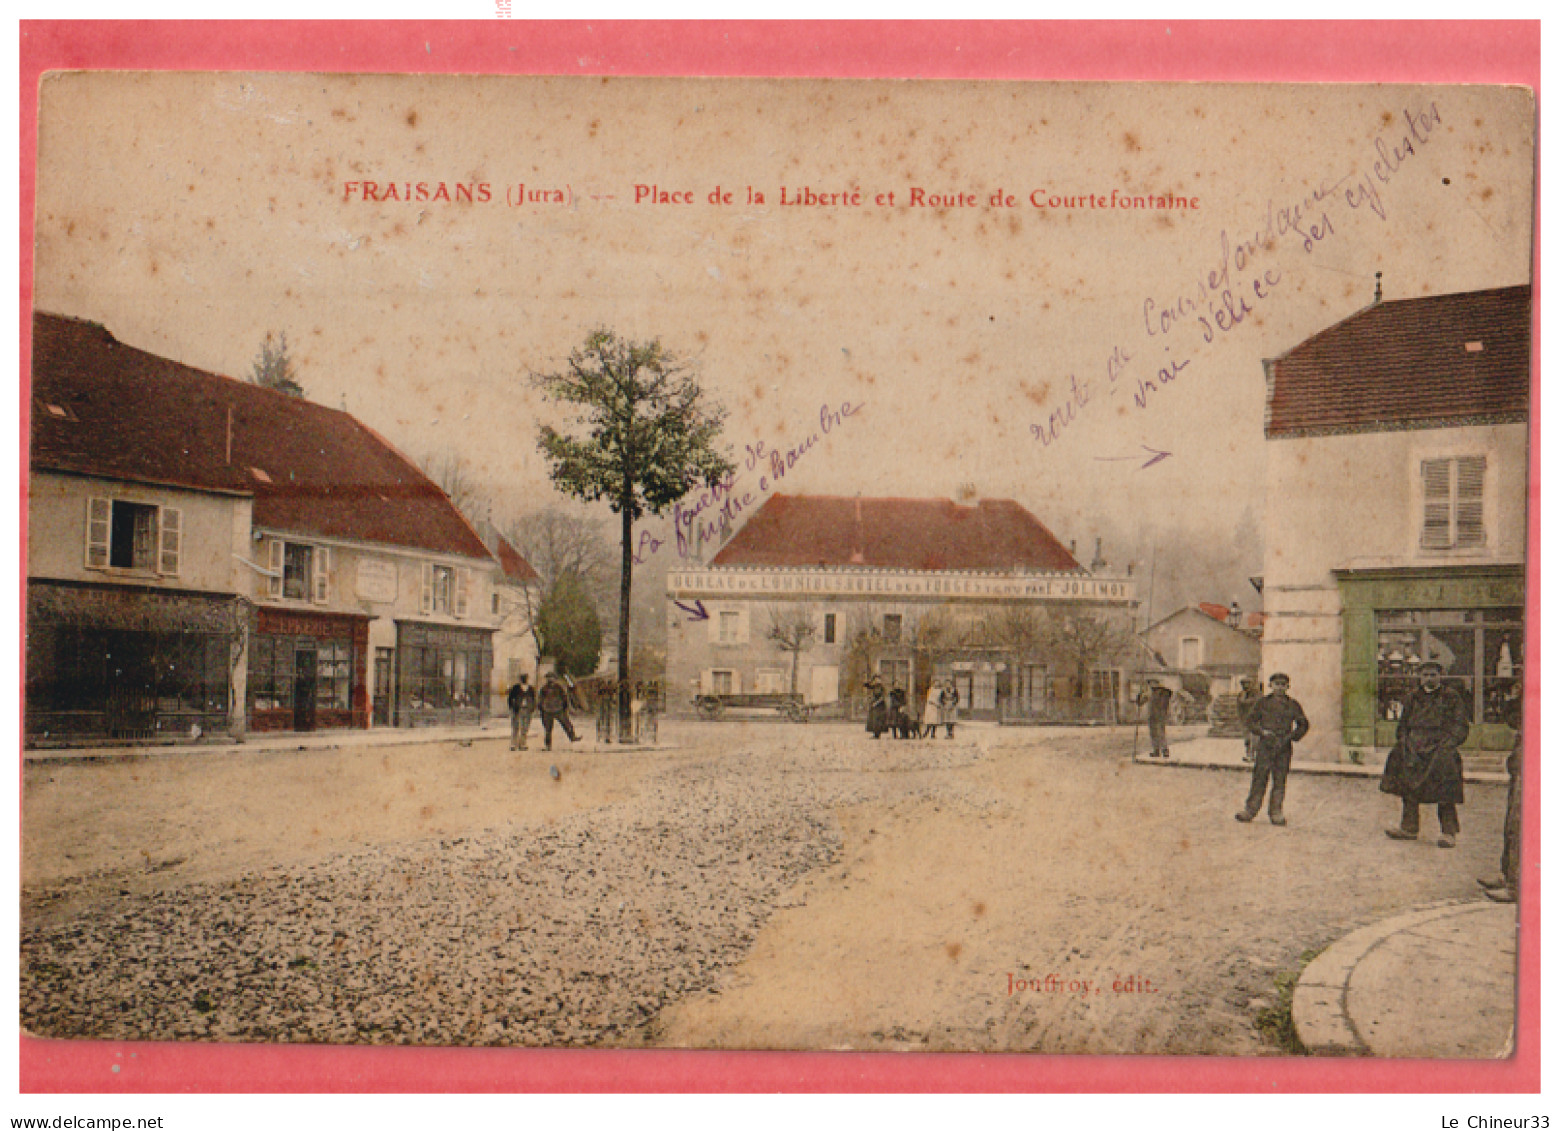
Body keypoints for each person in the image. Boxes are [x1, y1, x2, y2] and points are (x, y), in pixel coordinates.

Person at [1380, 661, 1469, 848]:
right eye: (1426, 675)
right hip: (1414, 746)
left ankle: (1448, 832)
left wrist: (1448, 744)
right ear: (1420, 677)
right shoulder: (1412, 697)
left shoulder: (1451, 697)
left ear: (1440, 676)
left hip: (1439, 747)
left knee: (1445, 791)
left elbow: (1460, 725)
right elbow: (1403, 725)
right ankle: (1409, 828)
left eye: (1433, 675)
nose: (1429, 678)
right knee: (1408, 786)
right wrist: (1405, 742)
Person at [1235, 673, 1309, 826]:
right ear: (1270, 686)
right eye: (1277, 684)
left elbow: (1304, 724)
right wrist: (1262, 732)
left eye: (1283, 684)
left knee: (1280, 780)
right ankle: (1250, 810)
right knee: (1259, 778)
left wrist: (1292, 736)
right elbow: (1250, 721)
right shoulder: (1262, 703)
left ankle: (1276, 812)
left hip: (1283, 747)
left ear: (1288, 687)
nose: (1280, 687)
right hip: (1265, 746)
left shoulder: (1293, 705)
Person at [1480, 680, 1524, 902]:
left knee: (1521, 823)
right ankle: (1507, 875)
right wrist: (1515, 696)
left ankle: (1517, 885)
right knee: (1511, 822)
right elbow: (1512, 721)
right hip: (1521, 759)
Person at [537, 670, 581, 751]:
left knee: (567, 724)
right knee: (548, 729)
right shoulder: (544, 688)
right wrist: (541, 708)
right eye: (548, 678)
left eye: (551, 678)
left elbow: (564, 697)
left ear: (554, 678)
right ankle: (548, 745)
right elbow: (540, 699)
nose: (550, 679)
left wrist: (565, 707)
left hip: (557, 709)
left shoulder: (558, 687)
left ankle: (573, 737)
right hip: (549, 710)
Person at [1138, 680, 1173, 759]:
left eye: (1151, 684)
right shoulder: (1150, 693)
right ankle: (1156, 750)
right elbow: (1140, 702)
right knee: (1154, 733)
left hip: (1159, 715)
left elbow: (1164, 705)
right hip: (1152, 715)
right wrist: (1140, 696)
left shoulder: (1163, 693)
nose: (1150, 686)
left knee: (1160, 732)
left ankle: (1164, 750)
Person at [506, 673, 536, 751]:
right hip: (517, 709)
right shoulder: (516, 688)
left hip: (527, 710)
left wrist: (532, 708)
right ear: (520, 679)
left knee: (525, 728)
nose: (524, 679)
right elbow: (510, 698)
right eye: (523, 678)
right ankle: (513, 744)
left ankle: (523, 744)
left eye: (525, 678)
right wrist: (511, 707)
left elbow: (533, 699)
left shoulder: (531, 689)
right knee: (516, 727)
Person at [1236, 678, 1260, 763]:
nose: (1246, 686)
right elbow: (1239, 706)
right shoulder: (1241, 694)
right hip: (1244, 719)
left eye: (1248, 683)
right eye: (1244, 684)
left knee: (1255, 739)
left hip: (1255, 720)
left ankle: (1253, 756)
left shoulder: (1256, 694)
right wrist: (1240, 719)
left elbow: (1248, 702)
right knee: (1247, 740)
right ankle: (1248, 755)